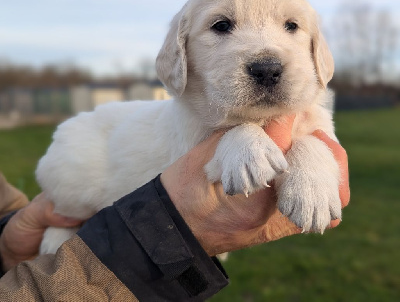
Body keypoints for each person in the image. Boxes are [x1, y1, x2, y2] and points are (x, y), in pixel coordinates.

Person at [0, 116, 349, 301]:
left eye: (291, 25)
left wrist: (6, 234)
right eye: (222, 25)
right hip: (90, 164)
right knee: (75, 177)